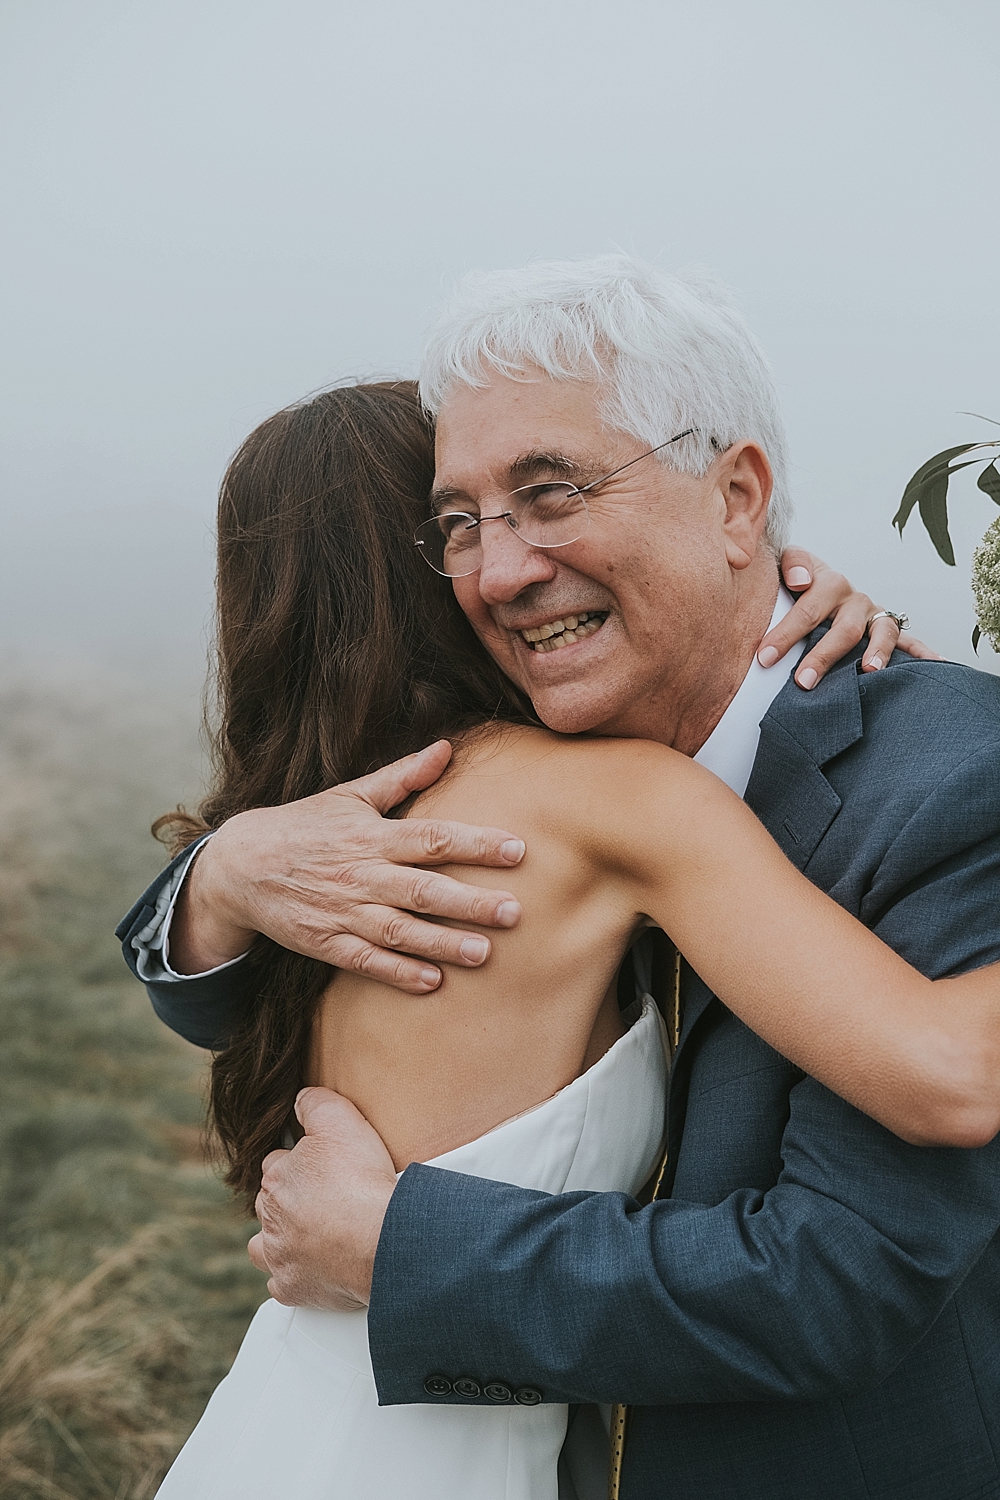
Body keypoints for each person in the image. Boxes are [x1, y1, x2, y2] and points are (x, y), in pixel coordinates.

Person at [120, 261, 1000, 1500]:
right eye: (457, 526)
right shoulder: (541, 793)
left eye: (551, 495)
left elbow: (834, 1283)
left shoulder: (950, 777)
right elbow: (221, 983)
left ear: (736, 497)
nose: (495, 571)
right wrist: (219, 878)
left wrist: (400, 1253)